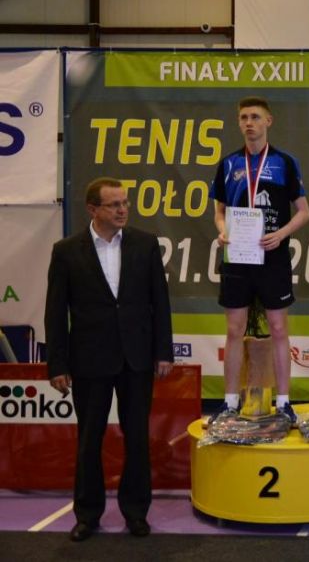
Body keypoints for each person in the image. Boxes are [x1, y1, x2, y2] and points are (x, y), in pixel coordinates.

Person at [45, 177, 174, 541]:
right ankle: (87, 515)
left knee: (137, 438)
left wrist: (163, 350)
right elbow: (55, 312)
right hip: (89, 359)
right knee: (89, 440)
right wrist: (58, 364)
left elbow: (160, 301)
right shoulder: (66, 251)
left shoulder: (145, 244)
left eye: (125, 203)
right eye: (114, 204)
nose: (122, 210)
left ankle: (136, 513)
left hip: (137, 358)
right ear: (93, 209)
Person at [210, 97, 309, 424]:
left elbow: (304, 212)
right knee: (234, 329)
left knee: (279, 328)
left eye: (255, 117)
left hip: (273, 256)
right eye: (243, 117)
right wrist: (223, 230)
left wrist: (280, 234)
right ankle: (229, 402)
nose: (249, 123)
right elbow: (219, 211)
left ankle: (284, 403)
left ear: (269, 121)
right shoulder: (228, 164)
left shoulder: (285, 162)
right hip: (238, 256)